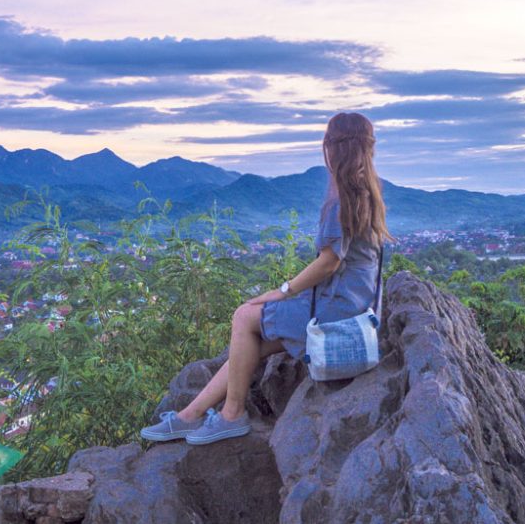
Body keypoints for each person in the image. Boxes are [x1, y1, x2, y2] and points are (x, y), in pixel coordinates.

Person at [140, 111, 395, 445]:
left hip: (334, 311)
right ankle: (191, 415)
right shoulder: (368, 192)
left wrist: (282, 291)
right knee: (251, 343)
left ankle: (232, 415)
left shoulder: (341, 198)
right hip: (354, 311)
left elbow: (329, 262)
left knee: (244, 315)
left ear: (331, 149)